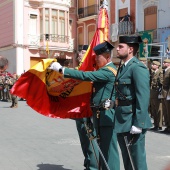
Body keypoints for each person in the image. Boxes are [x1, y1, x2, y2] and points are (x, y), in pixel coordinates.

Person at [48, 41, 120, 170]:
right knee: (102, 147)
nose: (96, 59)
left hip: (107, 114)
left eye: (98, 56)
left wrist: (61, 69)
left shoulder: (109, 71)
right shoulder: (105, 69)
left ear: (107, 57)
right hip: (100, 114)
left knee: (110, 149)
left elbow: (86, 75)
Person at [105, 35, 152, 170]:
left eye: (121, 47)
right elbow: (125, 94)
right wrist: (114, 103)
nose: (117, 49)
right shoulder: (123, 67)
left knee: (137, 161)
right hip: (122, 119)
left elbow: (143, 97)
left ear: (130, 49)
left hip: (132, 120)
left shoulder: (137, 68)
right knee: (127, 160)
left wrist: (139, 123)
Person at [150, 61, 163, 131]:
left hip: (157, 92)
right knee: (154, 110)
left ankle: (160, 125)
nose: (152, 65)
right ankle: (156, 124)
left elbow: (161, 83)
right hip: (152, 93)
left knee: (159, 110)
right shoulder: (153, 73)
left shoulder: (160, 72)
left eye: (154, 64)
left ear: (157, 66)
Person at [161, 59, 170, 133]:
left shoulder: (169, 71)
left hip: (167, 93)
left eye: (165, 62)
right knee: (165, 111)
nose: (163, 63)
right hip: (163, 93)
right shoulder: (165, 71)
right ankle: (167, 126)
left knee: (168, 111)